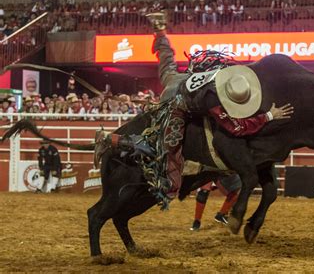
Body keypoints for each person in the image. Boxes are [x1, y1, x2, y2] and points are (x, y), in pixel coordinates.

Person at [104, 12, 294, 209]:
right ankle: (121, 141)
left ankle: (160, 30)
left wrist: (161, 35)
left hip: (174, 96)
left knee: (161, 126)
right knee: (167, 153)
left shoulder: (184, 79)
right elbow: (236, 127)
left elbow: (167, 62)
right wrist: (270, 115)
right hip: (176, 110)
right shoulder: (211, 95)